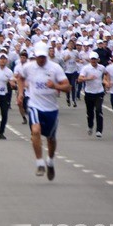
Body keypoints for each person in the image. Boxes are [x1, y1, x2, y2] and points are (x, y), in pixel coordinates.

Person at [16, 43, 70, 181]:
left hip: (51, 108)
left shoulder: (55, 68)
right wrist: (21, 93)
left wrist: (56, 86)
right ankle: (40, 163)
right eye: (39, 57)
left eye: (43, 57)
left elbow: (67, 87)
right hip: (34, 104)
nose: (41, 60)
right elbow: (20, 78)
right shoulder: (29, 67)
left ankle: (50, 162)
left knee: (51, 139)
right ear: (35, 56)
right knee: (35, 131)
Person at [78, 52, 106, 138]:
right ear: (90, 60)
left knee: (98, 110)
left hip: (99, 92)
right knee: (90, 112)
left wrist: (106, 82)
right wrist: (88, 78)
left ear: (98, 59)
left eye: (95, 59)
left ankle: (99, 130)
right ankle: (90, 126)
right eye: (92, 59)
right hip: (89, 92)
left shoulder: (102, 68)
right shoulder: (86, 68)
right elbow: (79, 79)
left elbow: (106, 75)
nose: (93, 60)